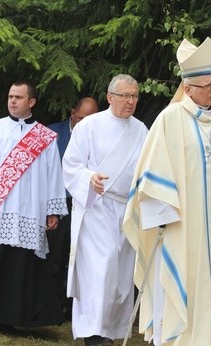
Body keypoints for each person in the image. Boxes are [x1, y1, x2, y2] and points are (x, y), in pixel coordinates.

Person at [123, 37, 211, 345]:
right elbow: (153, 172)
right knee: (188, 290)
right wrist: (163, 216)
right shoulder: (170, 119)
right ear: (188, 89)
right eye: (206, 85)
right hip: (185, 232)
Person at [0, 81, 67, 333]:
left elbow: (54, 174)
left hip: (29, 209)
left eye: (18, 97)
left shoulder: (46, 137)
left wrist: (52, 209)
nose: (12, 101)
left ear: (32, 102)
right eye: (10, 96)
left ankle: (7, 318)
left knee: (19, 265)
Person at [62, 74, 148, 345]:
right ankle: (94, 333)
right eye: (126, 96)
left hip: (126, 209)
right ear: (110, 97)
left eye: (135, 96)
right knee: (100, 271)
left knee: (121, 278)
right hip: (97, 209)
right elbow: (71, 164)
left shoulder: (141, 130)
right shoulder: (89, 126)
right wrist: (90, 178)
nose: (131, 102)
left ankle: (112, 330)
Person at [47, 97, 99, 318]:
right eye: (81, 118)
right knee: (56, 255)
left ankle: (72, 305)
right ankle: (51, 303)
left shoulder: (98, 134)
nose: (85, 122)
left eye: (91, 119)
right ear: (72, 113)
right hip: (59, 203)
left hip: (86, 203)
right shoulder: (53, 134)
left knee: (78, 256)